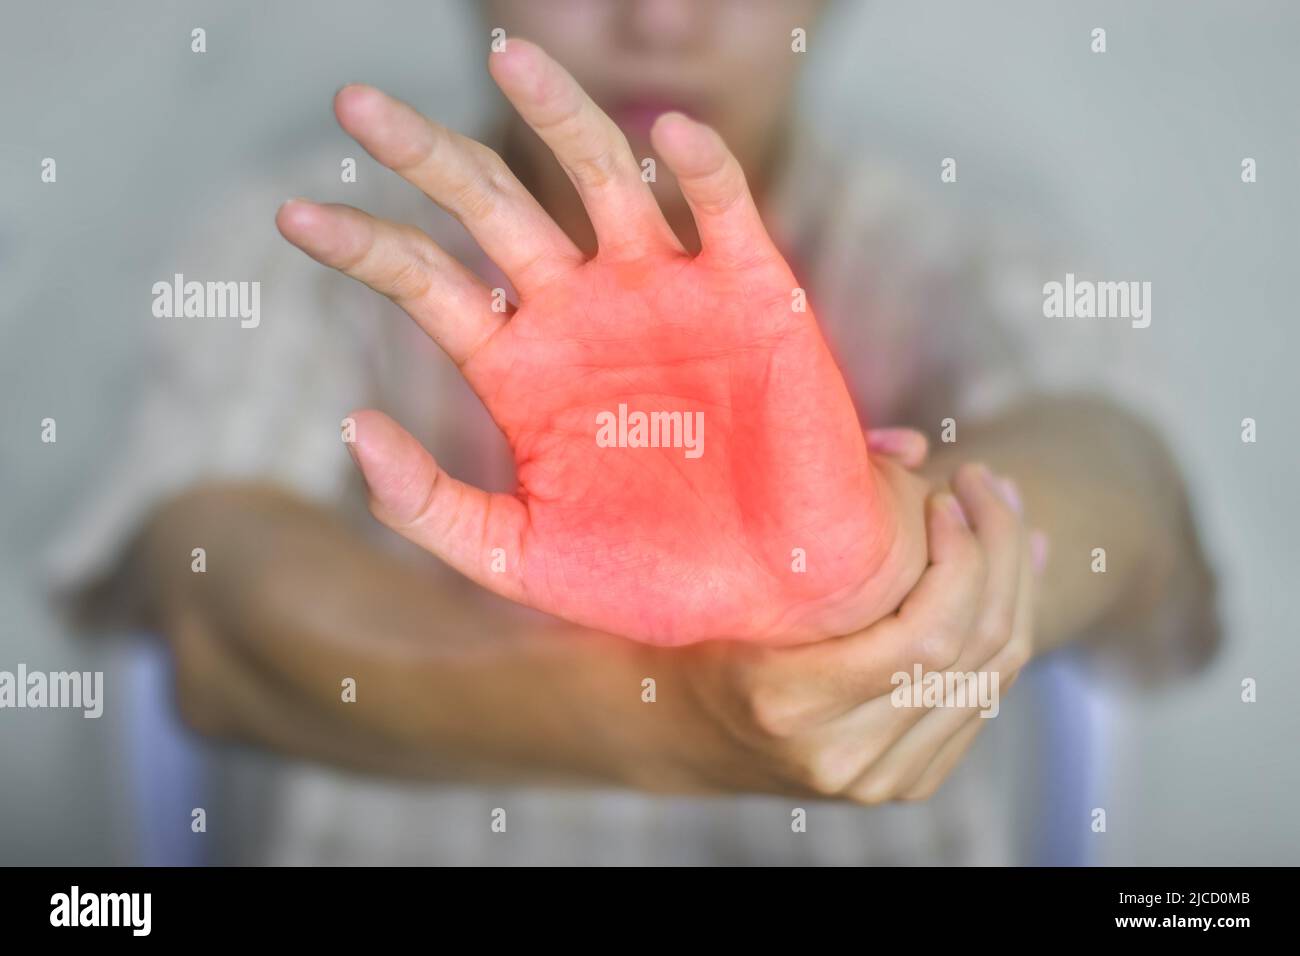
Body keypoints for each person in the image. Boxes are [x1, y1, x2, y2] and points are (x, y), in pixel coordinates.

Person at [49, 0, 1217, 864]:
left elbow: (1126, 487)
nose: (660, 19)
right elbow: (216, 613)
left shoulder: (969, 258)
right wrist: (691, 720)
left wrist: (908, 553)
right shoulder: (297, 248)